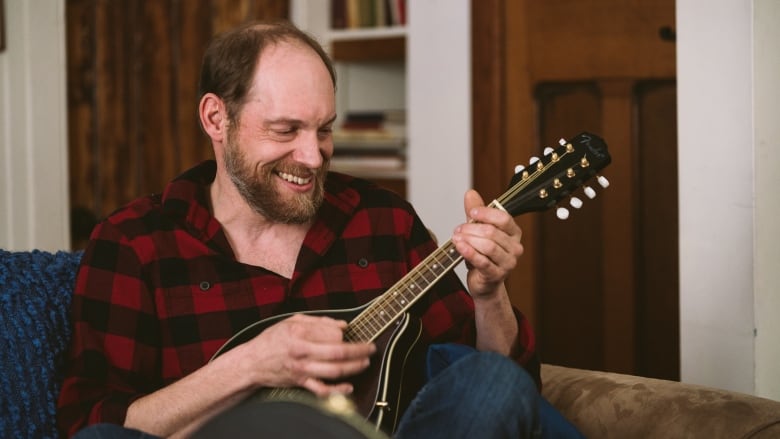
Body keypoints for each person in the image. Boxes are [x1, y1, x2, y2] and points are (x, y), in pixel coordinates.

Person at [56, 20, 552, 439]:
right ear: (216, 118)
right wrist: (251, 365)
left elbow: (502, 392)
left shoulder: (383, 220)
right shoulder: (135, 243)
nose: (313, 157)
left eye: (324, 129)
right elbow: (94, 425)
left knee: (492, 383)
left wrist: (489, 294)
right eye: (286, 130)